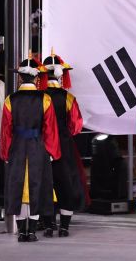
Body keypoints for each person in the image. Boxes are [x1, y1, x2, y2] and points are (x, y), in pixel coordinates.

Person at [0, 54, 60, 242]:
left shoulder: (11, 99)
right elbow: (50, 128)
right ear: (35, 77)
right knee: (36, 185)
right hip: (37, 146)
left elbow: (6, 129)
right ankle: (32, 231)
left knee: (18, 185)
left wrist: (5, 151)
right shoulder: (45, 99)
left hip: (17, 145)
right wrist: (51, 151)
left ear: (19, 77)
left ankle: (21, 231)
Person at [38, 51, 87, 238]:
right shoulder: (68, 98)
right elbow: (76, 126)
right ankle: (65, 227)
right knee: (66, 183)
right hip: (64, 146)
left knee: (45, 183)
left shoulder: (39, 97)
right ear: (60, 74)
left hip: (42, 145)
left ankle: (48, 225)